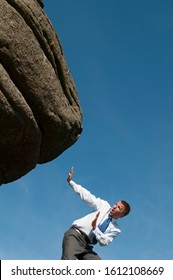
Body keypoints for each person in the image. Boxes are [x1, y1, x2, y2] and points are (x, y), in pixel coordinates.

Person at [61, 167, 131, 260]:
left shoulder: (116, 229)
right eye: (116, 204)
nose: (114, 206)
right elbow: (87, 196)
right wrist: (71, 182)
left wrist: (95, 228)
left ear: (122, 214)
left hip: (87, 247)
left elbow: (104, 242)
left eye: (119, 207)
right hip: (76, 235)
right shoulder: (104, 205)